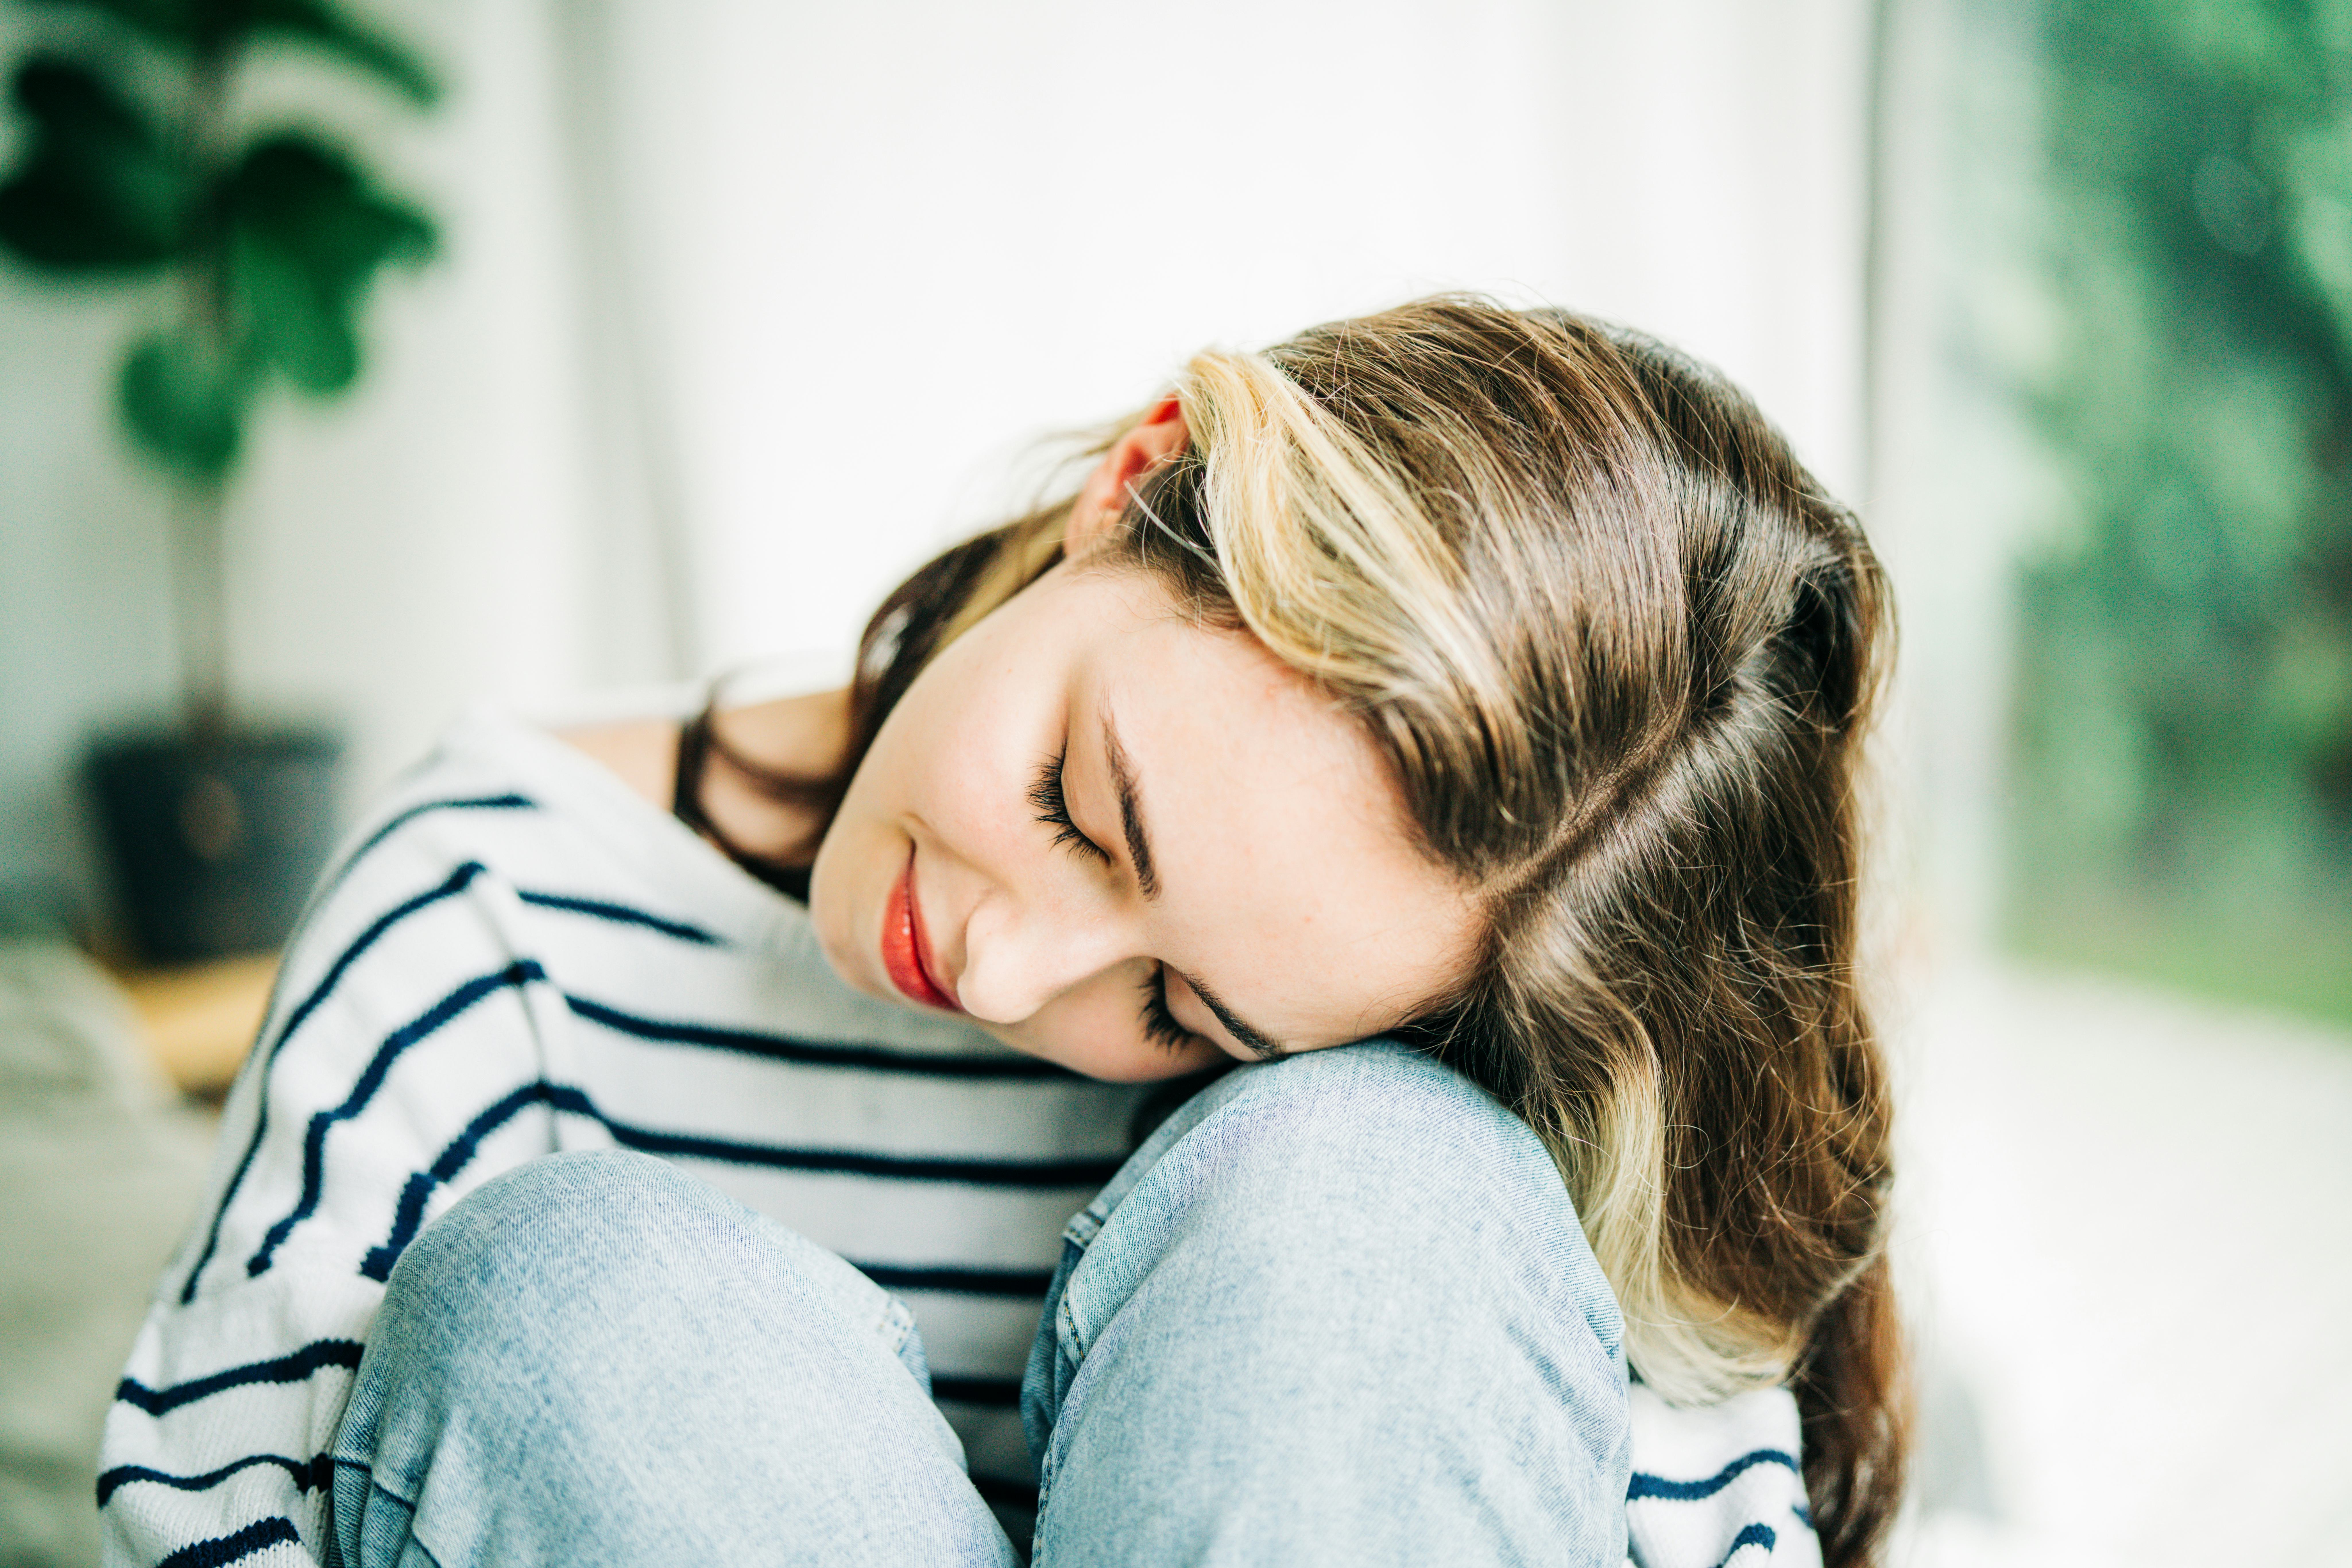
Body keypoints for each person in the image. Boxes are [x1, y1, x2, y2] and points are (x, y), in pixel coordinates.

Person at [98, 298, 1906, 1567]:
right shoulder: (494, 905)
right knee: (584, 1316)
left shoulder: (1417, 1038)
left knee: (1380, 1187)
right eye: (1075, 804)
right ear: (1134, 478)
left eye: (1181, 1007)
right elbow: (213, 1508)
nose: (1006, 971)